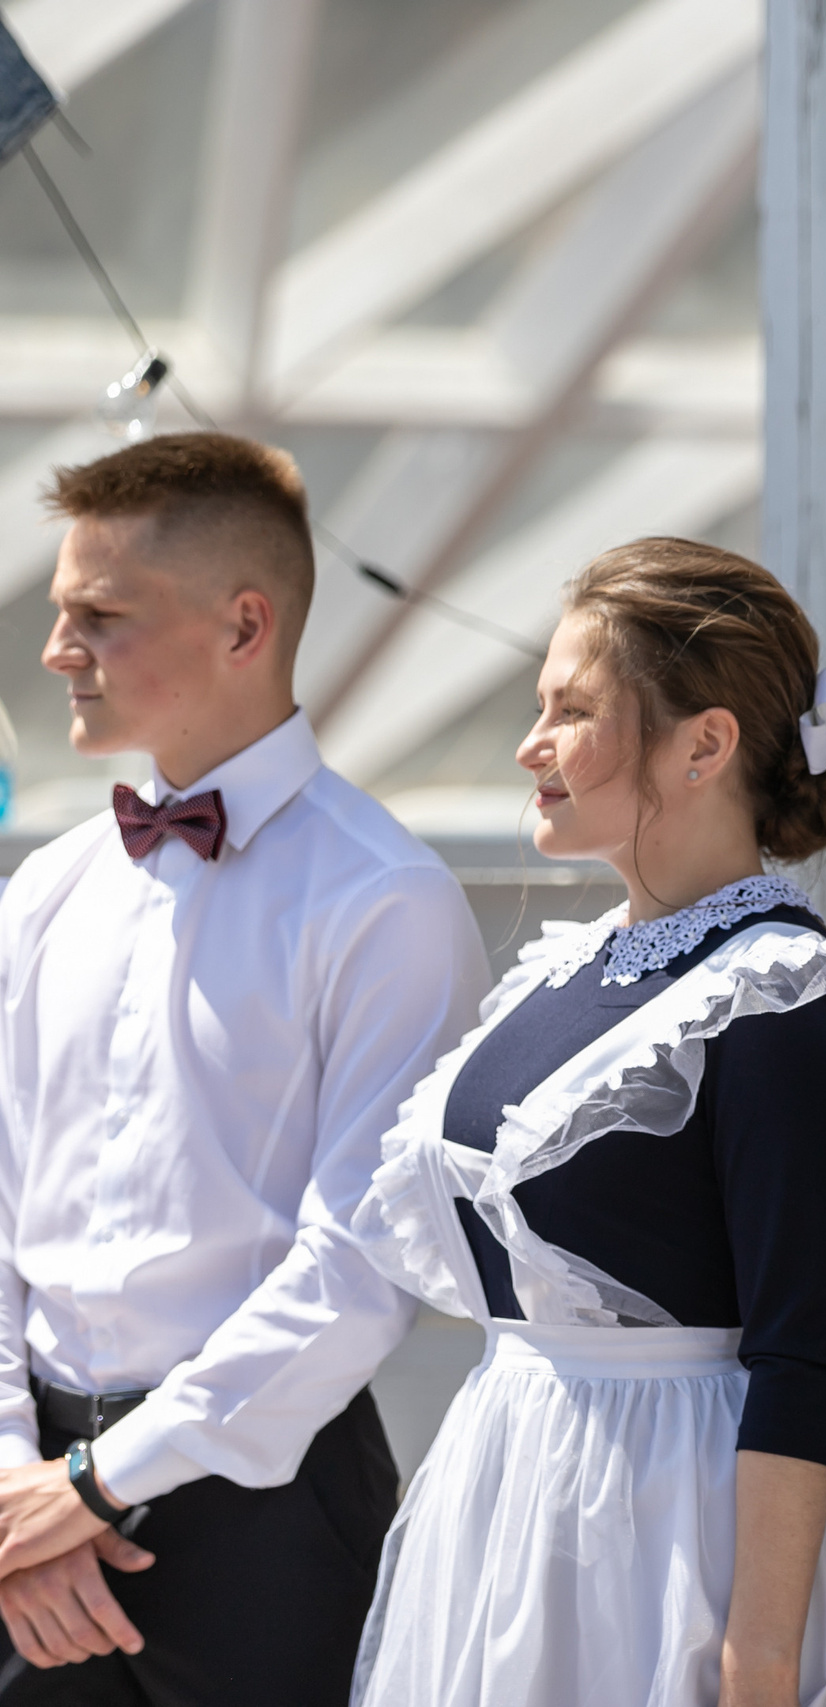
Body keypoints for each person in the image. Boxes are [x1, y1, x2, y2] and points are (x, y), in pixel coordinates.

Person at [347, 539, 826, 1707]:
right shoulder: (562, 976)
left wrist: (759, 1656)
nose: (531, 746)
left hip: (670, 1526)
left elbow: (797, 1349)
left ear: (704, 743)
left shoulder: (781, 996)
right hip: (504, 1493)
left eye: (572, 709)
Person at [0, 433, 490, 1702]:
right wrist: (21, 1486)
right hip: (25, 1510)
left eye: (99, 617)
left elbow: (361, 1264)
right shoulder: (44, 892)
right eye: (63, 616)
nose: (59, 652)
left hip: (267, 1513)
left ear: (244, 625)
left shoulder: (387, 902)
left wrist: (96, 1485)